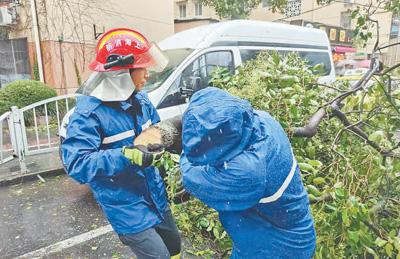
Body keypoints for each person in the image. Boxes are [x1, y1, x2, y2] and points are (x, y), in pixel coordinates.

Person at [61, 28, 181, 259]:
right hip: (126, 206)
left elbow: (155, 133)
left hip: (154, 194)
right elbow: (77, 164)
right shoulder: (89, 115)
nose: (147, 74)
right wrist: (126, 155)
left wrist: (168, 143)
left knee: (174, 247)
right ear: (121, 74)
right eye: (142, 68)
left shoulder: (142, 101)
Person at [179, 87, 316, 258]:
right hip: (257, 236)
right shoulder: (262, 119)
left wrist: (186, 149)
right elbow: (208, 100)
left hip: (278, 249)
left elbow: (191, 176)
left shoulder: (247, 172)